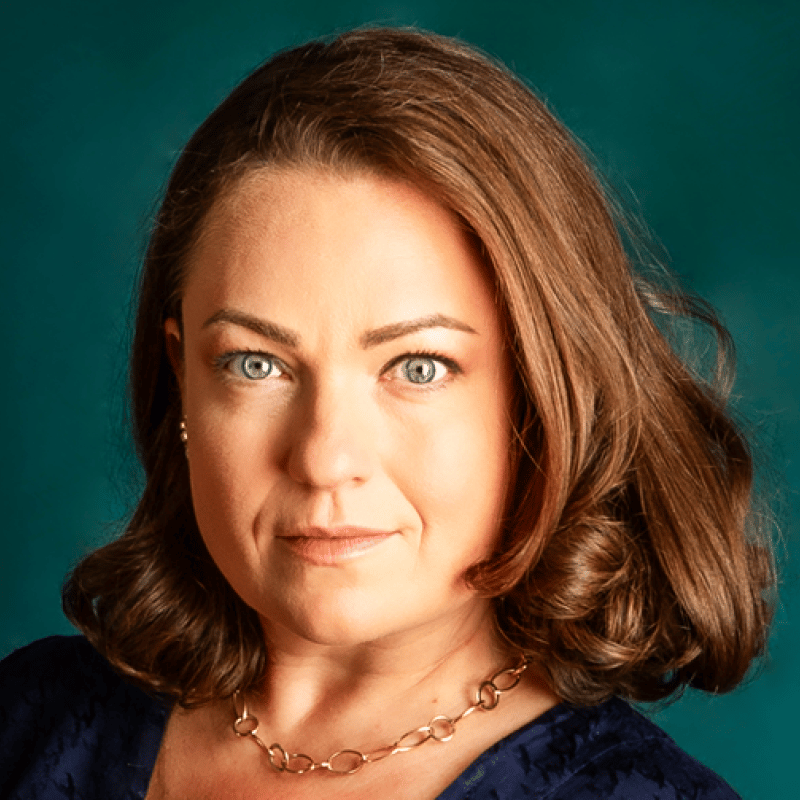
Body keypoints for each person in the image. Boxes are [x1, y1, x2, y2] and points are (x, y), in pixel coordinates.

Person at [0, 27, 774, 800]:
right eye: (256, 364)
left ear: (540, 399)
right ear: (182, 381)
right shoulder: (29, 721)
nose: (324, 459)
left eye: (417, 368)